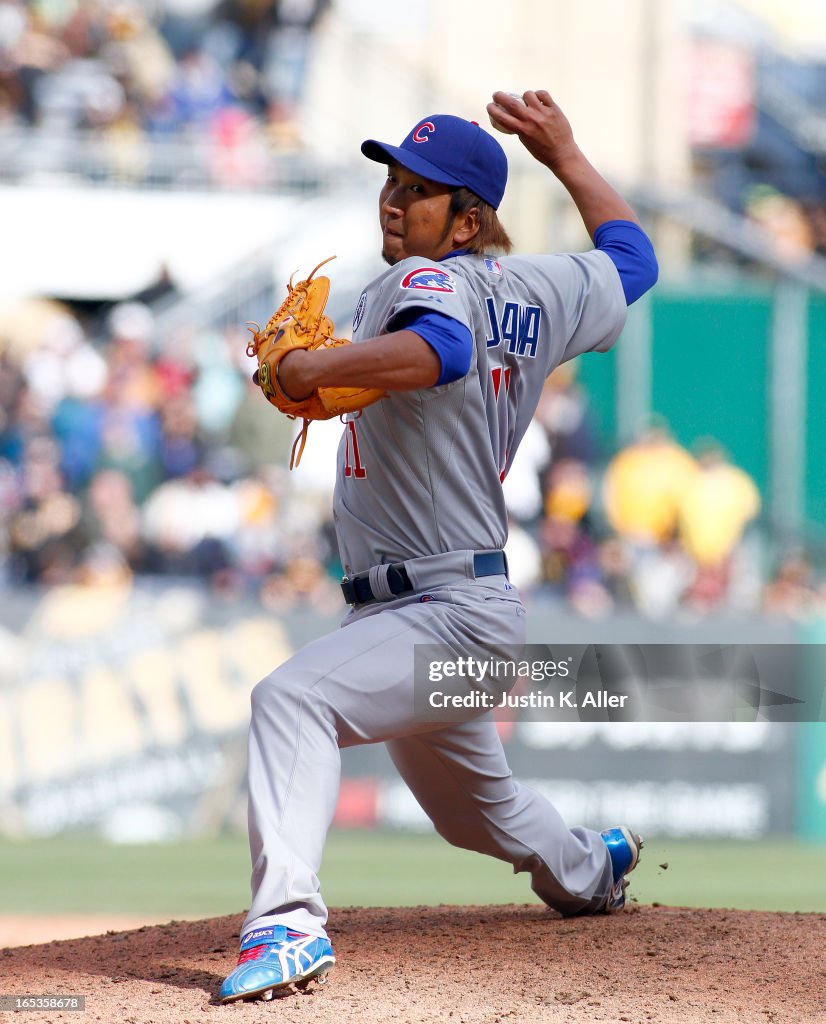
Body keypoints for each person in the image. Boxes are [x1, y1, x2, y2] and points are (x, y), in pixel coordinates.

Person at [219, 89, 659, 1002]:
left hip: (442, 613)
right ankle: (591, 865)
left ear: (467, 221)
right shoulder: (542, 286)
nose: (392, 199)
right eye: (391, 178)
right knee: (476, 814)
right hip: (463, 615)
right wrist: (566, 153)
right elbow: (634, 259)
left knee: (289, 701)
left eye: (420, 190)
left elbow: (441, 351)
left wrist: (310, 368)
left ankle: (287, 925)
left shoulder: (426, 280)